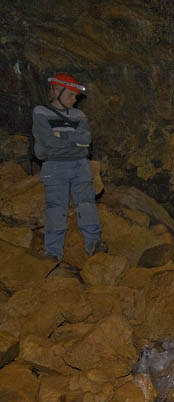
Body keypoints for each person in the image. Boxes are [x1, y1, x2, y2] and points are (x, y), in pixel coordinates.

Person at [32, 72, 106, 263]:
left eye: (76, 96)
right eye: (71, 95)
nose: (75, 100)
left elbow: (86, 141)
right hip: (54, 167)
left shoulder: (79, 115)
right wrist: (73, 142)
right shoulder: (40, 112)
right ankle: (53, 252)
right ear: (56, 90)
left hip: (80, 165)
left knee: (87, 204)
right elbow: (47, 142)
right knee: (56, 208)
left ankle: (94, 244)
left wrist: (60, 139)